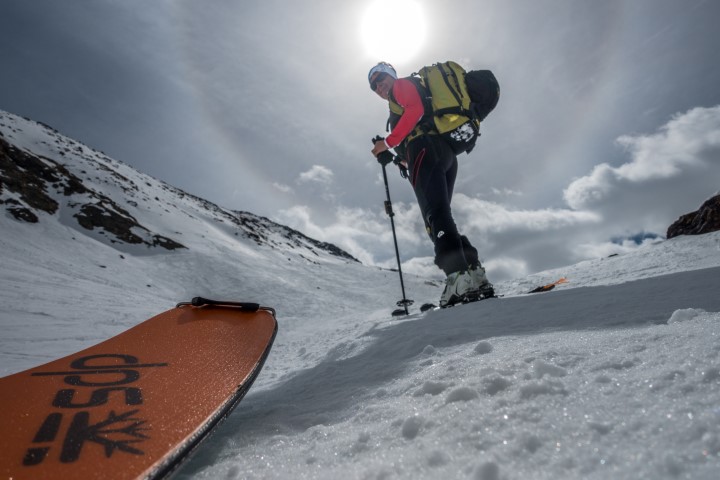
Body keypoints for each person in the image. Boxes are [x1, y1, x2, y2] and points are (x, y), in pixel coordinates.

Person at [368, 62, 493, 307]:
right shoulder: (404, 97)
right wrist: (394, 155)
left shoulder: (402, 86)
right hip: (443, 153)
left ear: (392, 75)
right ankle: (474, 274)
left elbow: (414, 111)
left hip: (425, 150)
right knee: (441, 214)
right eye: (374, 86)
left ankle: (457, 278)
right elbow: (416, 128)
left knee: (434, 215)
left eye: (381, 79)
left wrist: (388, 142)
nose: (379, 86)